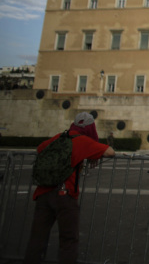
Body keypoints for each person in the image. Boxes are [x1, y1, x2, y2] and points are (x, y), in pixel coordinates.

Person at [24, 112, 115, 264]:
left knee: (37, 238)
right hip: (64, 196)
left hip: (43, 194)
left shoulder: (59, 137)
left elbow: (40, 148)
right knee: (68, 240)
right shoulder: (82, 141)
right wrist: (92, 154)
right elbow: (110, 152)